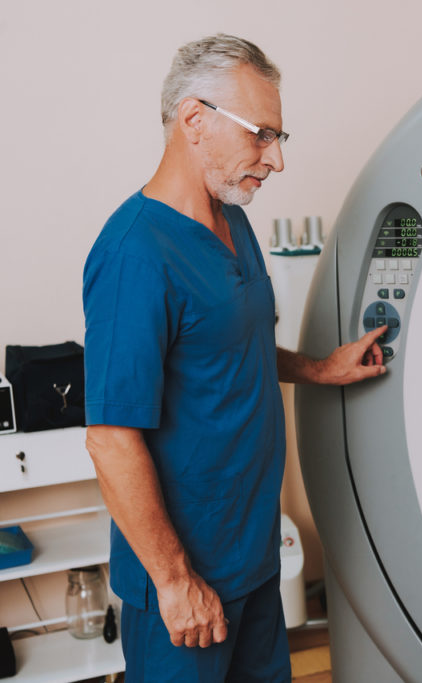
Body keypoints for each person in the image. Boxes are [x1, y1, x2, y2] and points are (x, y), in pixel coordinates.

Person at [82, 34, 387, 682]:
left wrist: (318, 368)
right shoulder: (137, 254)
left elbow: (228, 345)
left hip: (252, 556)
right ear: (195, 120)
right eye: (262, 135)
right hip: (185, 586)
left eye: (280, 138)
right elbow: (110, 437)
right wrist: (173, 579)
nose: (275, 159)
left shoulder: (232, 219)